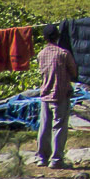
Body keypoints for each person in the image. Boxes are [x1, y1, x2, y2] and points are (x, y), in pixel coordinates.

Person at [33, 24, 75, 168]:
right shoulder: (64, 54)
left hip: (45, 95)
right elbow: (74, 72)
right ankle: (56, 159)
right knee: (59, 127)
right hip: (60, 95)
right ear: (57, 37)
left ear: (44, 38)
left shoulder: (40, 54)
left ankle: (42, 158)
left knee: (44, 127)